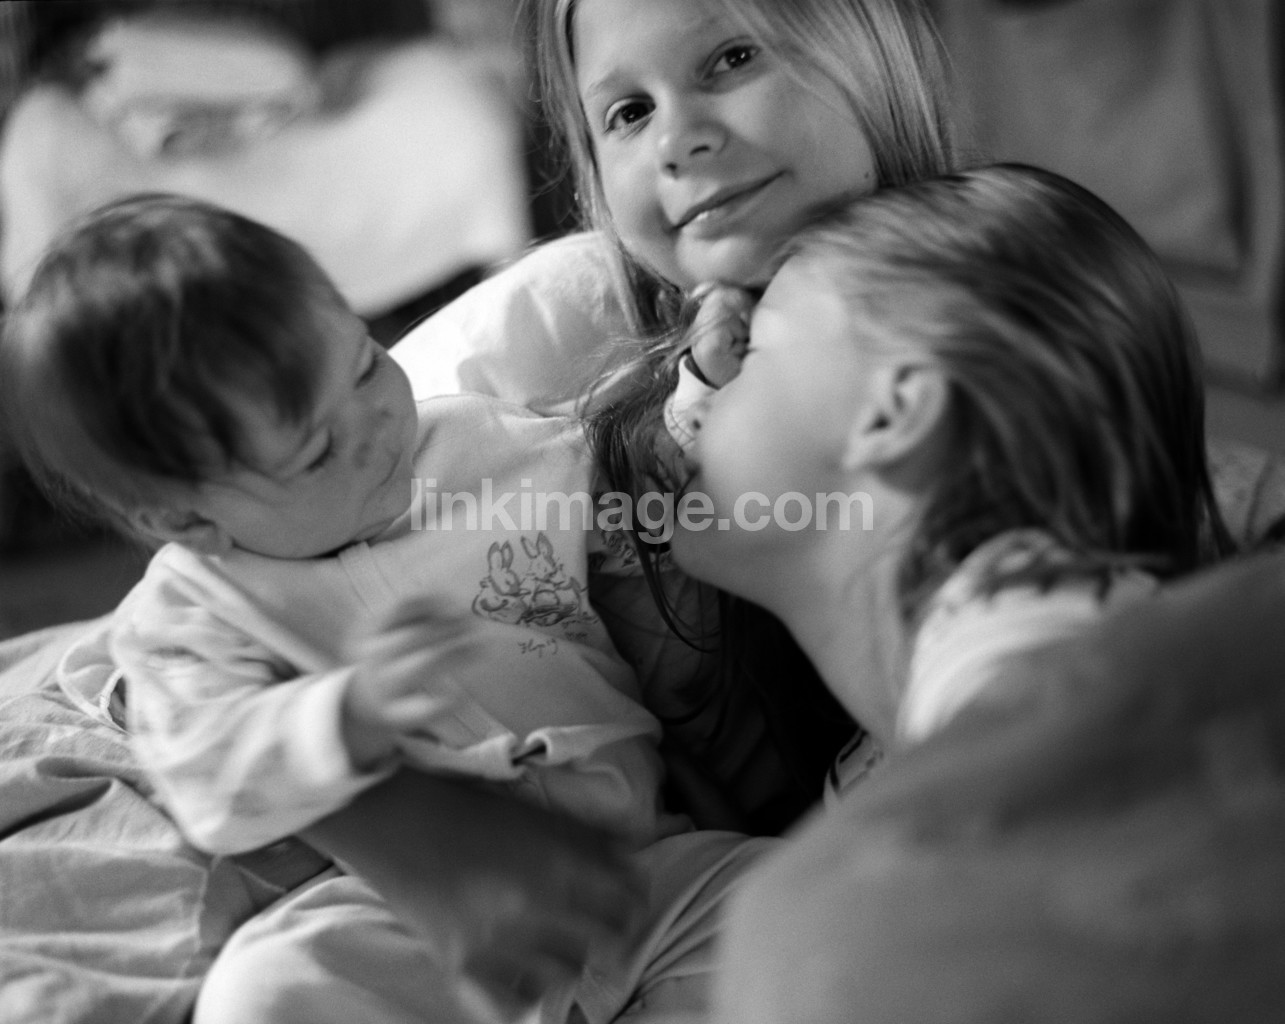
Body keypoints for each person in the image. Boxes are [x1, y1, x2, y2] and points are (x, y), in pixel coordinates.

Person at [0, 193, 768, 1024]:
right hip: (402, 915)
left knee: (784, 906)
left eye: (366, 364)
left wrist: (699, 393)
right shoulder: (188, 615)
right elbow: (208, 770)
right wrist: (348, 714)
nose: (379, 421)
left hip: (635, 864)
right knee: (267, 989)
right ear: (188, 521)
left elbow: (630, 484)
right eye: (319, 448)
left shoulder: (484, 444)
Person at [632, 163, 1233, 1019]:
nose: (696, 400)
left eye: (754, 350)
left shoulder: (1029, 627)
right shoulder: (896, 749)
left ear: (892, 414)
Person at [389, 0, 962, 826]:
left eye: (731, 60)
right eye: (628, 112)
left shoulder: (1019, 302)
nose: (675, 139)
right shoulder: (563, 342)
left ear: (871, 45)